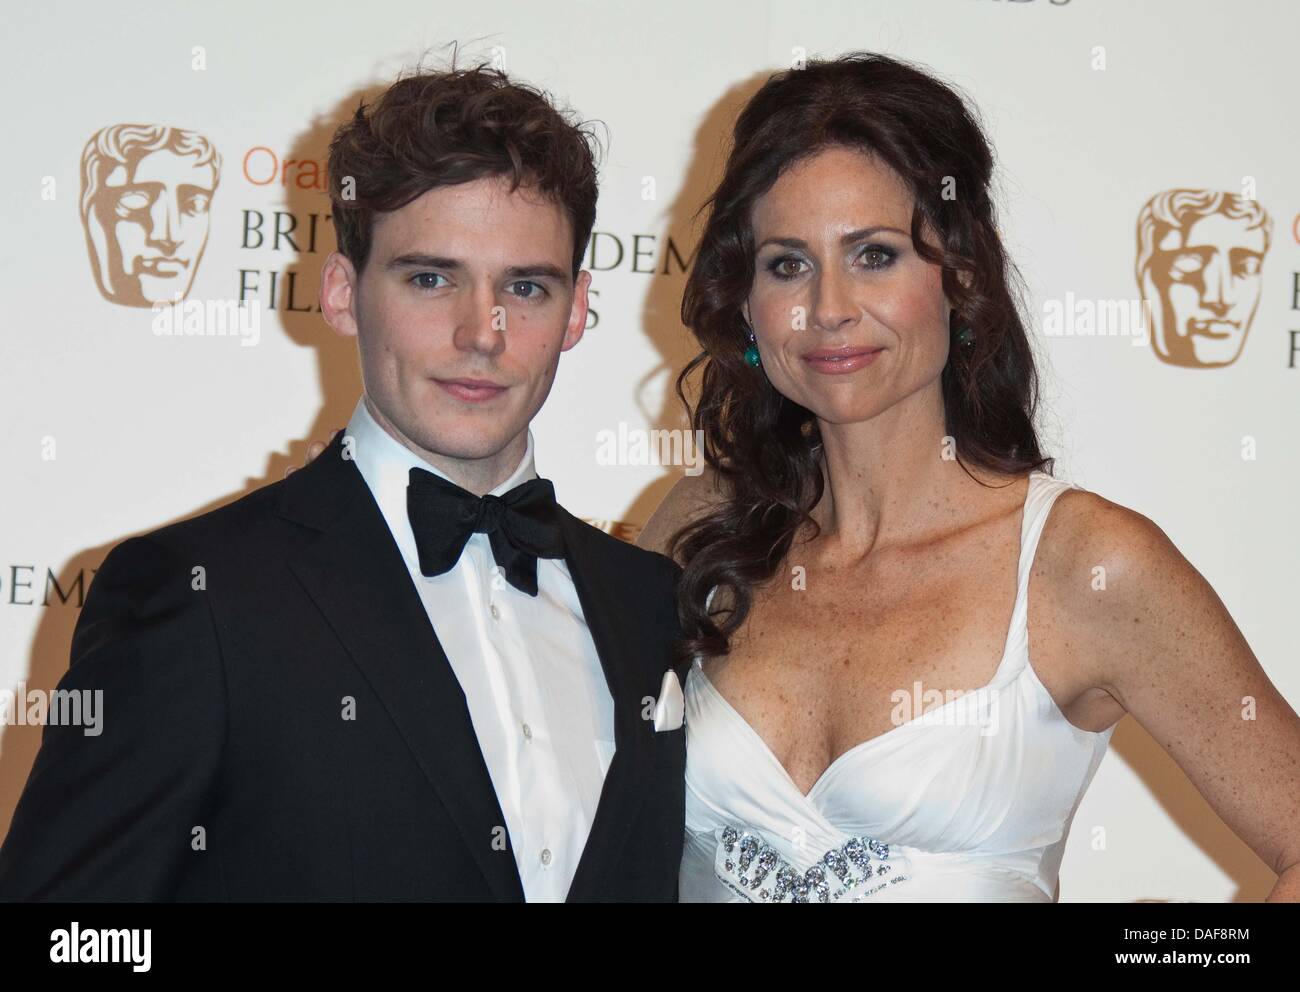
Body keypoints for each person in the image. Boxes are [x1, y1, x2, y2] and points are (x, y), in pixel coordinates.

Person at [0, 63, 687, 902]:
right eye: (430, 278)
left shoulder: (652, 603)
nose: (482, 333)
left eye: (525, 286)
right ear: (341, 293)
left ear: (578, 309)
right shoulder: (198, 597)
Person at [638, 52, 1300, 903]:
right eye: (787, 264)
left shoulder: (1085, 564)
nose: (830, 307)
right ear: (747, 304)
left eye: (874, 255)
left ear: (960, 277)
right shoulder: (701, 531)